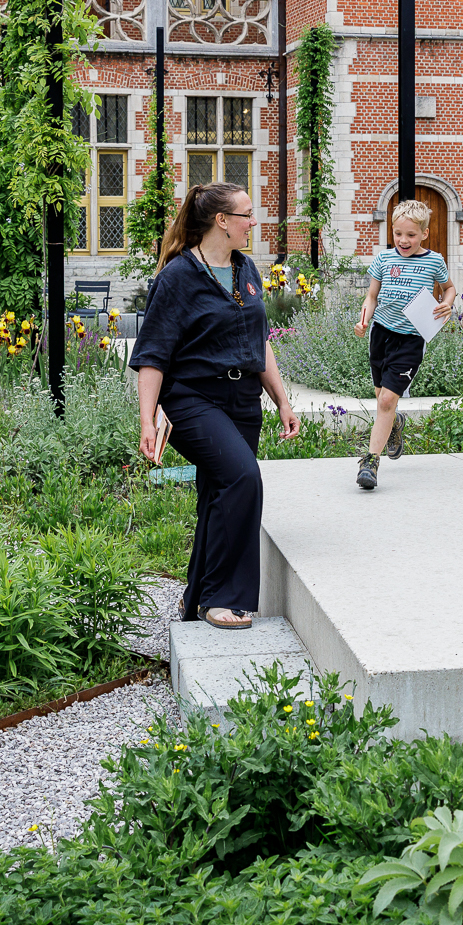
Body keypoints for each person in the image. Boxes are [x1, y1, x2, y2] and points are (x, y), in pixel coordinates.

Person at [130, 183, 301, 631]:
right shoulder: (178, 276)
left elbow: (258, 342)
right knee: (243, 479)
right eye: (246, 214)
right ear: (222, 221)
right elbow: (152, 354)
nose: (253, 222)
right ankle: (222, 599)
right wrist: (147, 419)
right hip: (193, 399)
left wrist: (281, 399)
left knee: (218, 495)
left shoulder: (246, 269)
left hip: (242, 399)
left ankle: (195, 598)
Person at [351, 199, 455, 491]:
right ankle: (394, 423)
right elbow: (371, 297)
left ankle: (370, 462)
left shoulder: (434, 261)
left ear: (424, 233)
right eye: (398, 234)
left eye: (410, 234)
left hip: (411, 339)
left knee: (386, 400)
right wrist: (363, 321)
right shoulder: (384, 260)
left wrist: (446, 304)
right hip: (381, 334)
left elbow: (449, 288)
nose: (403, 240)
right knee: (381, 397)